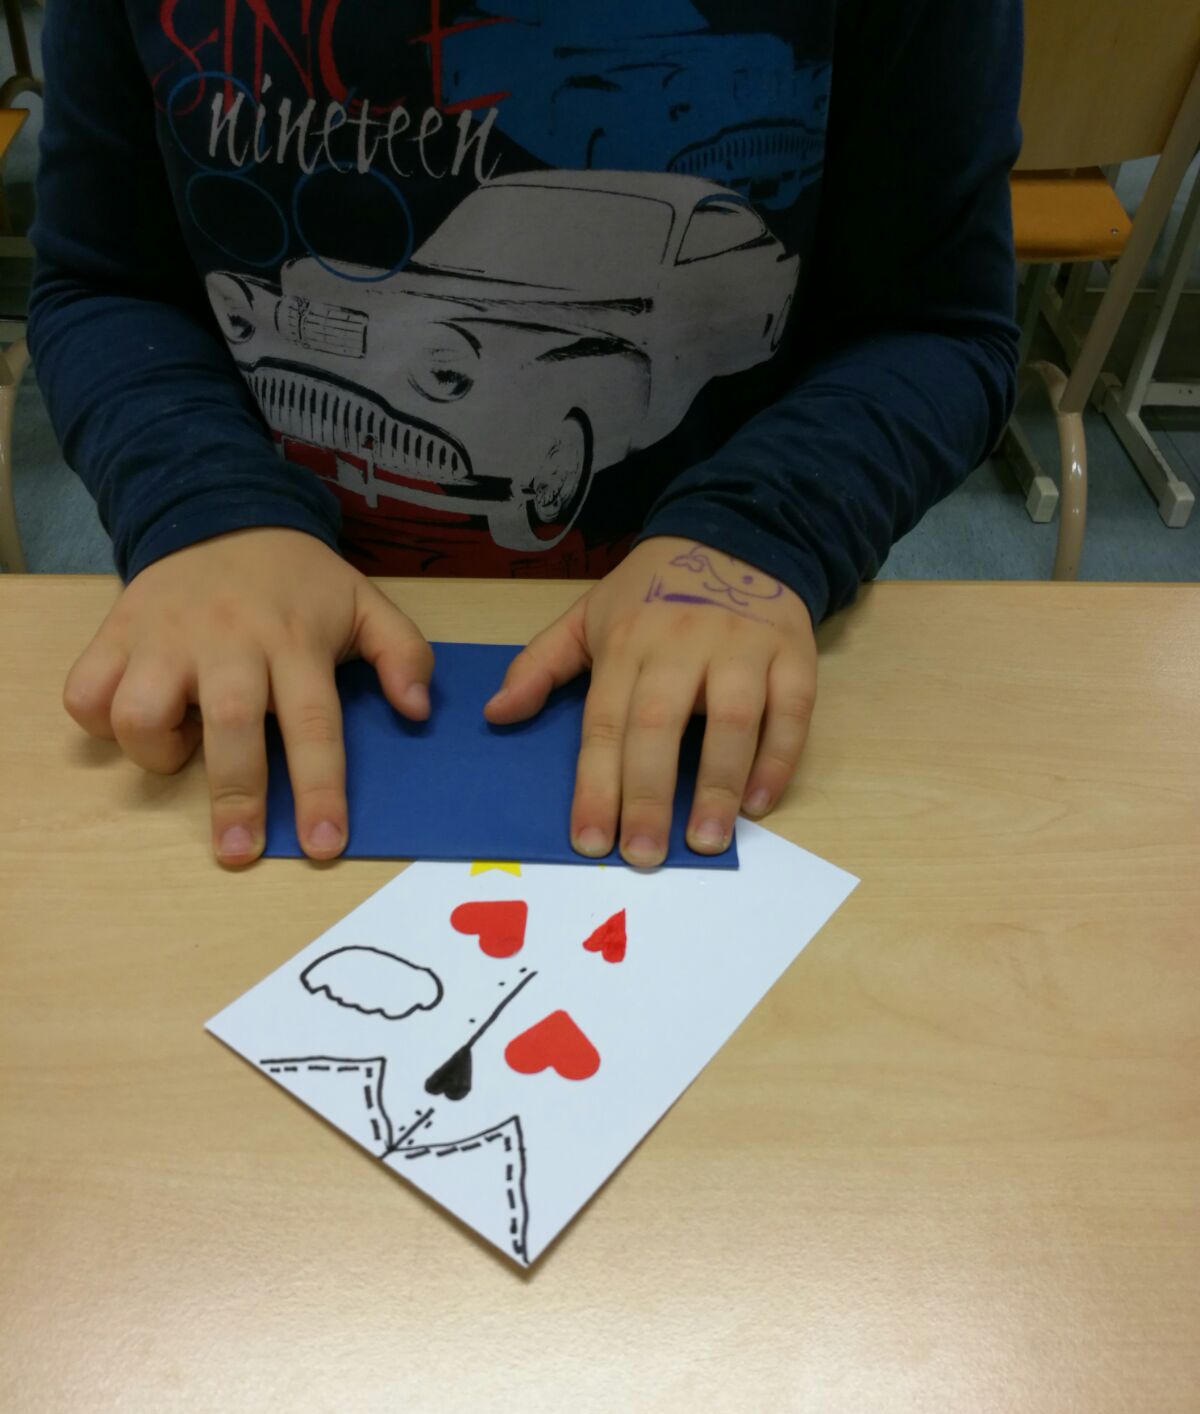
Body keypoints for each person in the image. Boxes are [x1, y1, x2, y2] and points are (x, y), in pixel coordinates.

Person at [29, 0, 1021, 869]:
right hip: (252, 639)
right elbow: (106, 280)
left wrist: (760, 527)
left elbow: (933, 325)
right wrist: (207, 509)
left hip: (719, 642)